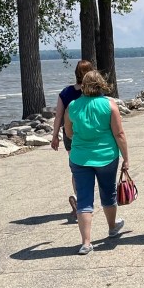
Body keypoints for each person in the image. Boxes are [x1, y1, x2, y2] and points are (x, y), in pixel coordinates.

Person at [64, 69, 130, 255]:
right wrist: (126, 157)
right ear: (101, 84)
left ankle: (85, 242)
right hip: (106, 156)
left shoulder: (73, 106)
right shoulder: (109, 105)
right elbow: (119, 134)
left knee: (84, 198)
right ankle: (112, 228)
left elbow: (69, 133)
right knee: (108, 192)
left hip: (79, 157)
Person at [51, 59, 94, 215]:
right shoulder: (95, 92)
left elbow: (58, 117)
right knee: (95, 167)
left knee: (77, 169)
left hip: (70, 135)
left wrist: (54, 136)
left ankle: (79, 197)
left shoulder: (66, 93)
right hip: (91, 134)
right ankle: (86, 201)